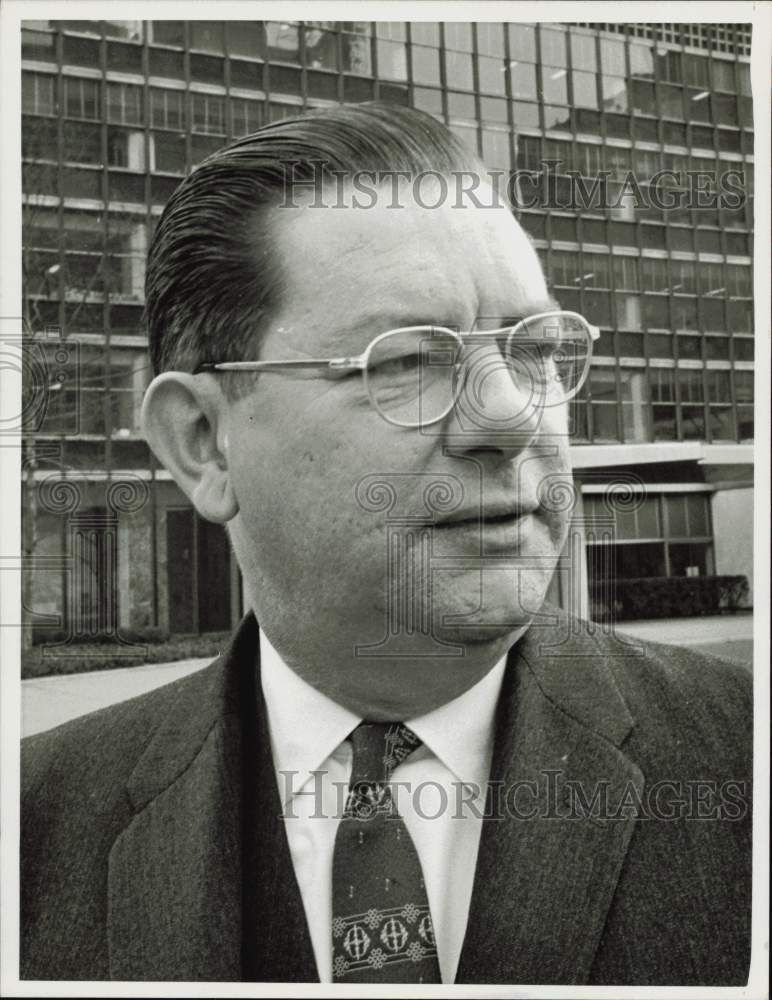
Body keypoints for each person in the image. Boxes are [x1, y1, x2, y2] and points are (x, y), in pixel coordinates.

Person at [21, 104, 752, 985]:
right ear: (205, 443)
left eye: (535, 349)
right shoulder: (32, 828)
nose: (513, 417)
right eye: (408, 359)